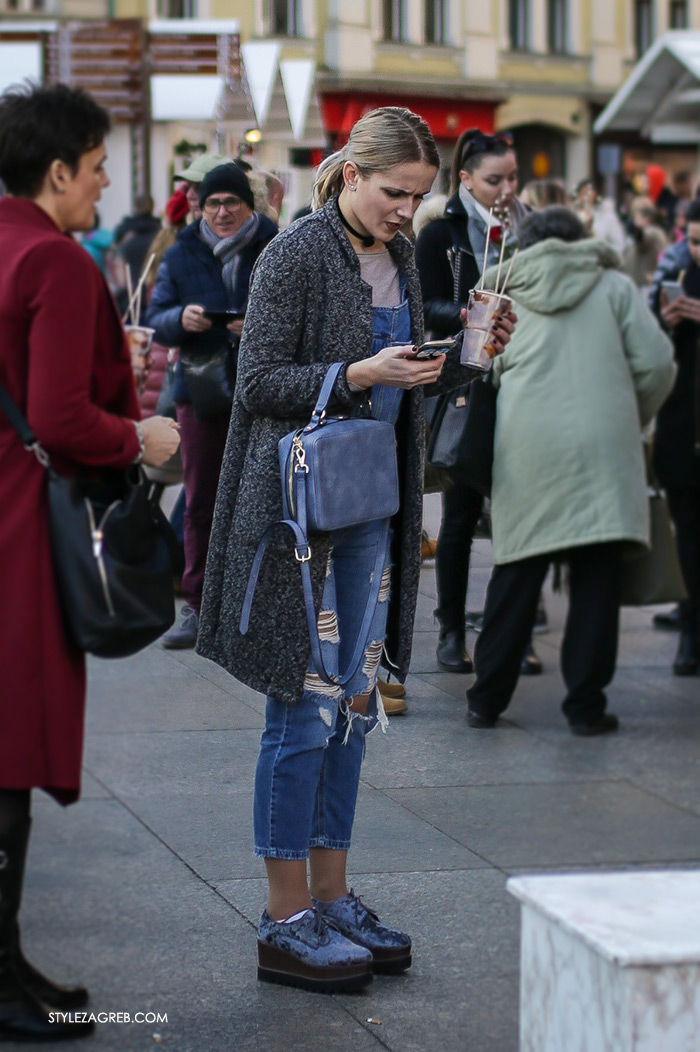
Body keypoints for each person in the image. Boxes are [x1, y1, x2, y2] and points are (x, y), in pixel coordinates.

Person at [196, 107, 514, 992]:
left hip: (370, 510)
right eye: (394, 193)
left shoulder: (402, 256)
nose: (406, 211)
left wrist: (466, 357)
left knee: (352, 706)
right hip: (302, 518)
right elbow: (256, 384)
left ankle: (332, 901)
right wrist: (356, 375)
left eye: (418, 196)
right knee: (301, 709)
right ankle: (285, 916)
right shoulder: (295, 253)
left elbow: (403, 379)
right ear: (348, 175)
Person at [0, 82, 180, 1041]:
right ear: (58, 169)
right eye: (98, 165)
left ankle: (7, 960)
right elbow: (63, 415)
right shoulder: (57, 263)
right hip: (23, 527)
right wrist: (140, 434)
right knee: (8, 747)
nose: (106, 184)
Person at [465, 207, 675, 735]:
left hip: (526, 447)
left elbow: (477, 368)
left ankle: (486, 700)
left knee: (516, 573)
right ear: (580, 241)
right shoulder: (614, 286)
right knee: (596, 579)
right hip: (604, 448)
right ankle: (585, 707)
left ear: (527, 244)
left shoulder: (502, 290)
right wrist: (632, 418)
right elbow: (656, 365)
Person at [415, 129, 542, 675]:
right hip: (468, 383)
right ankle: (449, 628)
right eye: (495, 180)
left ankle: (513, 629)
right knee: (463, 511)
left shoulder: (526, 232)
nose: (507, 189)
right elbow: (423, 304)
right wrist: (469, 313)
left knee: (521, 513)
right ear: (465, 179)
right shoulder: (439, 233)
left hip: (525, 380)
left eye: (513, 178)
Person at [146, 163, 278, 647]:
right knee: (201, 499)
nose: (221, 212)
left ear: (250, 205)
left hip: (265, 391)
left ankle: (256, 604)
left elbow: (300, 315)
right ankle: (199, 606)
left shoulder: (275, 245)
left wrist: (257, 326)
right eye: (213, 203)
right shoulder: (183, 252)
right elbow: (157, 319)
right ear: (200, 205)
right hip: (200, 391)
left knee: (264, 498)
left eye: (232, 203)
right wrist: (181, 318)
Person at [653, 198, 700, 674]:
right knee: (687, 532)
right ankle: (691, 627)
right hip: (682, 427)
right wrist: (664, 324)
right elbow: (649, 351)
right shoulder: (680, 273)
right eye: (695, 241)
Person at [113, 193, 162, 295]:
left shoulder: (125, 231)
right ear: (152, 207)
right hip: (153, 287)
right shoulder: (159, 231)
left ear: (135, 207)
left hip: (131, 287)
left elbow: (117, 259)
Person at [621, 196, 668, 292]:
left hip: (645, 285)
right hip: (631, 283)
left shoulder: (654, 232)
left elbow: (644, 242)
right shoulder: (631, 235)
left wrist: (638, 230)